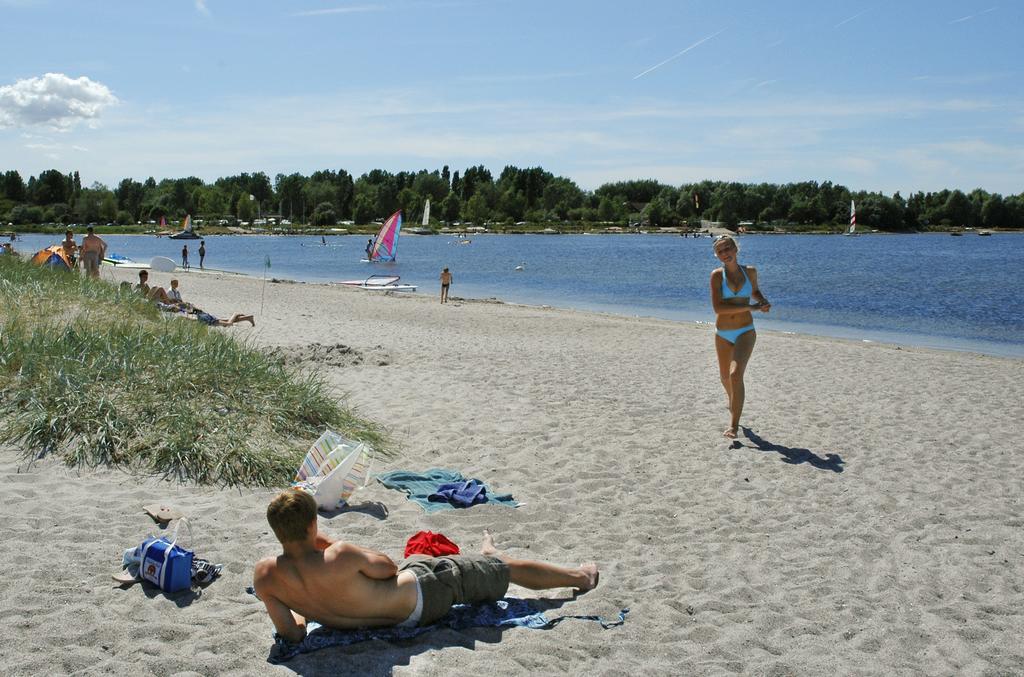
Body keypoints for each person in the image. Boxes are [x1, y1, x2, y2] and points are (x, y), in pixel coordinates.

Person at [253, 489, 599, 642]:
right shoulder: (338, 554)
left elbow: (292, 633)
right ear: (313, 524)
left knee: (422, 560)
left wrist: (303, 606)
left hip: (383, 614)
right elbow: (388, 568)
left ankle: (480, 556)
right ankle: (580, 577)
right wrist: (327, 543)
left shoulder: (267, 577)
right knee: (501, 567)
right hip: (424, 596)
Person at [710, 234, 770, 439]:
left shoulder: (750, 271)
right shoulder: (717, 276)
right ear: (717, 255)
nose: (725, 253)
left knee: (736, 375)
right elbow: (718, 308)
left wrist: (762, 302)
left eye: (728, 249)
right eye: (720, 251)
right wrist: (750, 306)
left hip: (745, 330)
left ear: (736, 249)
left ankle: (733, 425)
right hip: (723, 333)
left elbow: (755, 291)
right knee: (725, 376)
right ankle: (733, 401)